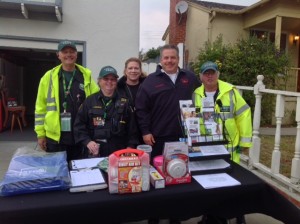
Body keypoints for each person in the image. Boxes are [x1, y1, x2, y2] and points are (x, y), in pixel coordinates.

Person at [194, 61, 252, 224]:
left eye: (212, 72)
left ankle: (239, 215)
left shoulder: (231, 92)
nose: (209, 76)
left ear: (218, 74)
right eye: (206, 73)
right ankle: (210, 215)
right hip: (207, 147)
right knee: (210, 184)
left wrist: (245, 141)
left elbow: (244, 114)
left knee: (234, 185)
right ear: (201, 77)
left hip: (230, 147)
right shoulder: (196, 94)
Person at [34, 40, 99, 162]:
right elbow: (40, 107)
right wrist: (40, 134)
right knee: (57, 173)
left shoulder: (86, 75)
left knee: (78, 173)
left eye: (72, 52)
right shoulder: (48, 77)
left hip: (80, 135)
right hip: (56, 138)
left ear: (76, 55)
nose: (69, 55)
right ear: (58, 55)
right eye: (65, 52)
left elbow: (96, 101)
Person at [135, 44, 201, 162]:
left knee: (184, 169)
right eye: (166, 58)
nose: (169, 61)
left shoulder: (190, 78)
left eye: (173, 57)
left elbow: (203, 94)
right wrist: (145, 132)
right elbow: (141, 109)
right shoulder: (150, 81)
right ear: (161, 60)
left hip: (185, 135)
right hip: (159, 137)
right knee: (160, 170)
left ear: (178, 59)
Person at [73, 65, 139, 157]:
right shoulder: (89, 101)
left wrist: (130, 146)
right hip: (95, 152)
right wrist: (87, 142)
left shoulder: (125, 102)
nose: (109, 82)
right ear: (99, 81)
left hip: (119, 152)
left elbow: (133, 129)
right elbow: (79, 126)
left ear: (116, 82)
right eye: (106, 79)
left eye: (113, 79)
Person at [117, 57, 147, 144]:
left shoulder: (147, 86)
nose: (133, 71)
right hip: (125, 132)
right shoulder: (118, 88)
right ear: (125, 71)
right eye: (130, 68)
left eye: (136, 68)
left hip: (144, 131)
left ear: (140, 70)